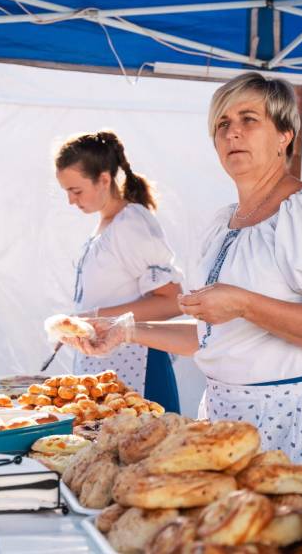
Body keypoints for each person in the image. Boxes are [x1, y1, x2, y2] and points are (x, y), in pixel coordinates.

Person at [64, 74, 302, 496]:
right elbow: (215, 338)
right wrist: (126, 330)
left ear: (284, 135)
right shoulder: (222, 225)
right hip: (232, 424)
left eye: (249, 119)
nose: (232, 131)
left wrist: (243, 303)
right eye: (222, 123)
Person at [54, 130, 184, 413]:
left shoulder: (131, 226)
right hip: (107, 370)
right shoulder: (106, 224)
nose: (71, 201)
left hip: (137, 370)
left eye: (76, 191)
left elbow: (171, 301)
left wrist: (95, 317)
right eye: (67, 192)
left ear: (104, 179)